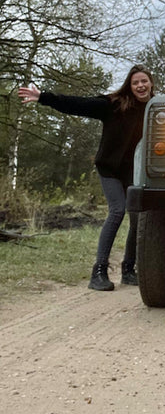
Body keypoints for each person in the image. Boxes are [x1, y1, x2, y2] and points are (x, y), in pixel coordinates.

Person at [18, 65, 154, 291]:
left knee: (138, 218)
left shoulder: (156, 108)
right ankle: (98, 271)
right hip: (109, 169)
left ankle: (129, 269)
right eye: (135, 82)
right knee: (117, 211)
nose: (140, 86)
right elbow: (77, 104)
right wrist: (43, 97)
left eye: (144, 81)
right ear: (129, 86)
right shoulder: (113, 105)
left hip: (136, 173)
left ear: (151, 83)